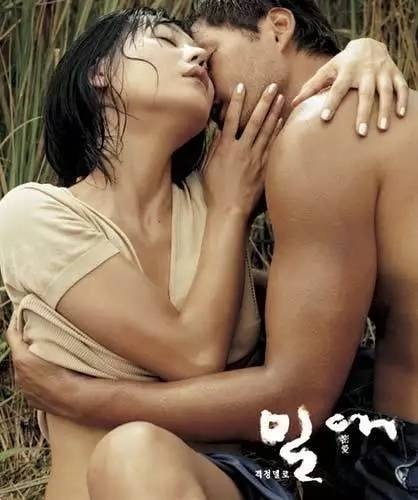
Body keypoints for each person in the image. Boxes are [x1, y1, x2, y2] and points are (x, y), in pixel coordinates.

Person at [2, 3, 414, 500]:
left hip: (215, 481)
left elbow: (285, 349)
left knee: (136, 454)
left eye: (204, 50)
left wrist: (365, 50)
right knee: (133, 455)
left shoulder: (232, 190)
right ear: (100, 74)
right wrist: (230, 209)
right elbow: (201, 351)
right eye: (167, 41)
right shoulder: (37, 212)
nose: (197, 56)